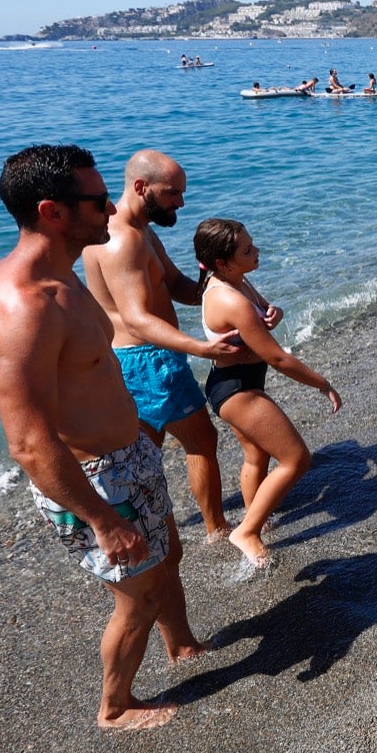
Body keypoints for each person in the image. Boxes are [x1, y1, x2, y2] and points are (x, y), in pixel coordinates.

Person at [0, 144, 206, 730]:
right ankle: (115, 706)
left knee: (165, 555)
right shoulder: (21, 309)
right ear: (53, 211)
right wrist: (102, 519)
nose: (110, 210)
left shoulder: (63, 277)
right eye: (98, 201)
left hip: (129, 457)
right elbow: (27, 442)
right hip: (98, 481)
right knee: (137, 597)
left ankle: (181, 646)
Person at [82, 149, 243, 543]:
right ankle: (216, 529)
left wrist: (233, 289)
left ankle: (146, 529)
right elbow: (136, 317)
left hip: (129, 360)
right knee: (201, 441)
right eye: (173, 193)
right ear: (141, 187)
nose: (181, 203)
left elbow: (176, 285)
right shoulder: (125, 243)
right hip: (149, 361)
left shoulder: (138, 231)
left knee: (141, 454)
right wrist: (200, 348)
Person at [195, 218, 341, 568]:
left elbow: (262, 311)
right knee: (297, 459)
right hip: (238, 391)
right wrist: (323, 384)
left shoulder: (236, 280)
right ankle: (246, 531)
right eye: (247, 250)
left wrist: (273, 313)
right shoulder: (230, 298)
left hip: (230, 384)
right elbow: (277, 357)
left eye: (252, 244)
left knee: (256, 456)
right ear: (222, 262)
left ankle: (255, 519)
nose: (256, 251)